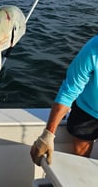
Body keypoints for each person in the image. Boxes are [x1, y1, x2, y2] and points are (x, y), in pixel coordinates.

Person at [30, 35, 98, 166]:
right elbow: (69, 91)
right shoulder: (93, 48)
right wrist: (48, 134)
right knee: (81, 160)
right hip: (87, 110)